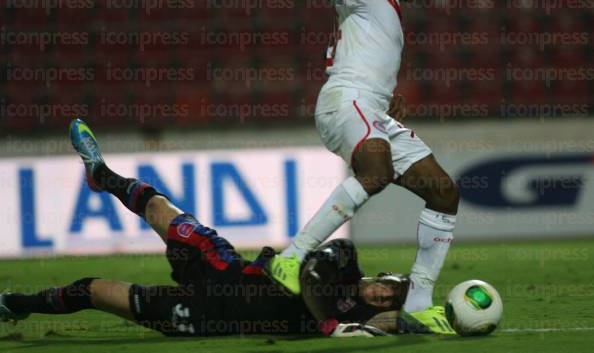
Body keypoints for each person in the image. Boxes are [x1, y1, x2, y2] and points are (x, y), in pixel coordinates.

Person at [0, 119, 448, 337]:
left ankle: (13, 304)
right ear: (382, 277)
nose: (384, 296)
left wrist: (438, 319)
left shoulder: (364, 320)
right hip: (224, 269)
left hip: (209, 317)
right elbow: (311, 280)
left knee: (93, 290)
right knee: (159, 208)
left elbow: (403, 324)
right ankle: (102, 175)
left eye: (389, 301)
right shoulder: (346, 266)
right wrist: (329, 323)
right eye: (390, 287)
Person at [250, 0, 458, 334]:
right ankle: (291, 257)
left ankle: (417, 301)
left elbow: (367, 56)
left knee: (444, 193)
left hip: (371, 108)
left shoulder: (390, 11)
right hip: (346, 101)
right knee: (376, 173)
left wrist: (387, 98)